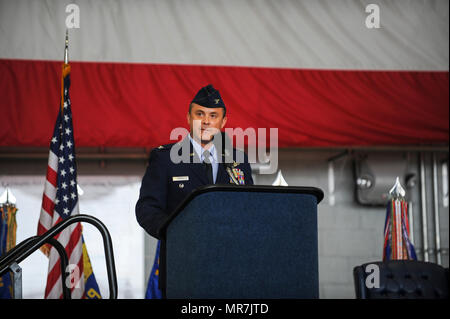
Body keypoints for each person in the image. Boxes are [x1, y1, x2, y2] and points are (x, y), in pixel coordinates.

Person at [135, 84, 253, 297]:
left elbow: (250, 209)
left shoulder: (239, 161)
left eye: (213, 116)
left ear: (223, 122)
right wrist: (176, 232)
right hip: (182, 266)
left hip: (230, 269)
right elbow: (147, 208)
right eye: (200, 114)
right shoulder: (165, 158)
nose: (206, 121)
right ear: (188, 118)